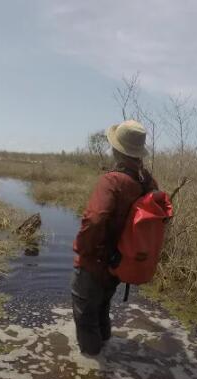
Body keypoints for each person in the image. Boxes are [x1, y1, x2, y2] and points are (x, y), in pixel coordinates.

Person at [71, 120, 158, 355]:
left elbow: (95, 220)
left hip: (96, 261)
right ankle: (105, 350)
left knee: (85, 315)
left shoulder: (111, 180)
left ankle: (91, 366)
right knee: (101, 307)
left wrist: (82, 249)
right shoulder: (147, 181)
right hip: (121, 261)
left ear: (117, 149)